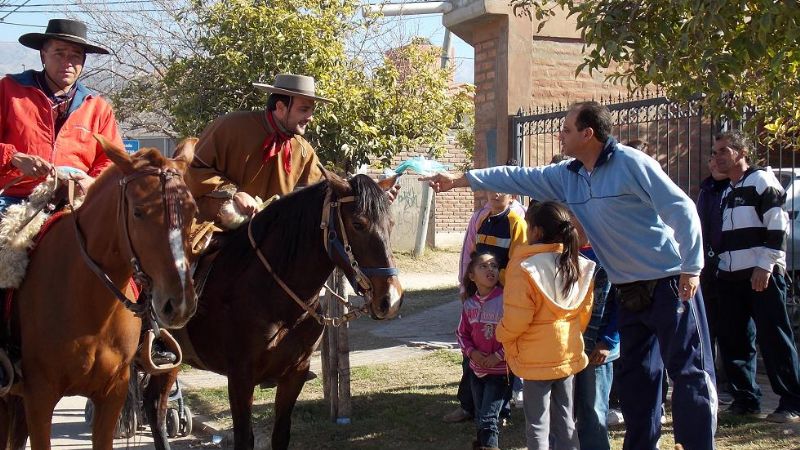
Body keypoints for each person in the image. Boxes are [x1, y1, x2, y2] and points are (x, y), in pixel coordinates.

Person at [423, 101, 717, 450]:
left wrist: (691, 268)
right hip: (628, 290)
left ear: (587, 133)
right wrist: (460, 180)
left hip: (671, 282)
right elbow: (516, 176)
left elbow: (681, 208)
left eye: (565, 129)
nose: (559, 134)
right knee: (637, 378)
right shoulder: (568, 175)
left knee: (687, 373)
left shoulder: (631, 163)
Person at [0, 18, 123, 391]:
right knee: (1, 255)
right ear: (42, 54)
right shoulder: (9, 90)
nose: (68, 61)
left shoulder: (97, 106)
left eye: (76, 55)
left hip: (79, 204)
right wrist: (13, 158)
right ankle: (4, 349)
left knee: (133, 251)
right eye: (60, 53)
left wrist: (89, 179)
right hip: (17, 196)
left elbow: (111, 162)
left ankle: (145, 342)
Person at [712, 130, 800, 423]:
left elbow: (778, 225)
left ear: (740, 152)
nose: (717, 157)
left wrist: (764, 266)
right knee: (734, 338)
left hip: (761, 273)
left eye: (723, 151)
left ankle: (791, 402)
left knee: (774, 336)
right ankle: (745, 400)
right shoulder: (729, 191)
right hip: (731, 276)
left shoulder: (762, 180)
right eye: (714, 153)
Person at [497, 201, 595, 449]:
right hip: (567, 353)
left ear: (537, 232)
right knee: (565, 421)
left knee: (537, 425)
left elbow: (517, 319)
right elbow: (584, 313)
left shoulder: (524, 268)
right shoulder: (578, 263)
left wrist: (503, 335)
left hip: (535, 358)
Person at [185, 74, 332, 228]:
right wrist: (232, 193)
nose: (310, 117)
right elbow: (191, 170)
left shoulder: (304, 152)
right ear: (281, 108)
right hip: (214, 231)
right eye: (304, 110)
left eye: (311, 111)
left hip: (270, 242)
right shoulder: (231, 127)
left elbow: (319, 192)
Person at [446, 188, 526, 424]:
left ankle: (499, 411)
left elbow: (519, 262)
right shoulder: (482, 218)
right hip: (477, 297)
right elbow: (471, 254)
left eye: (503, 190)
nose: (496, 194)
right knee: (471, 353)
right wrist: (468, 285)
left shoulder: (516, 221)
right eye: (491, 189)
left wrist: (497, 286)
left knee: (500, 353)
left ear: (513, 196)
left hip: (502, 299)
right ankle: (468, 406)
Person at [573, 220, 619, 450]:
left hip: (597, 348)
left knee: (593, 409)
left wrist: (609, 341)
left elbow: (621, 305)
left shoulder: (609, 257)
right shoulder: (564, 257)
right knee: (567, 409)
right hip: (568, 347)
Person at [457, 251, 509, 450]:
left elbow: (514, 333)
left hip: (499, 371)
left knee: (488, 418)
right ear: (472, 276)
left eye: (494, 266)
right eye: (484, 266)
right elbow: (462, 334)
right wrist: (472, 353)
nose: (490, 270)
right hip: (476, 371)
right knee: (480, 416)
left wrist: (498, 356)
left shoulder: (506, 300)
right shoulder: (469, 304)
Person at [696, 155, 733, 405]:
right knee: (707, 328)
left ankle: (735, 384)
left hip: (730, 265)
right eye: (710, 157)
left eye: (720, 154)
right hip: (706, 267)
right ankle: (713, 381)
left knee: (732, 328)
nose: (713, 162)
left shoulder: (734, 188)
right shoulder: (706, 189)